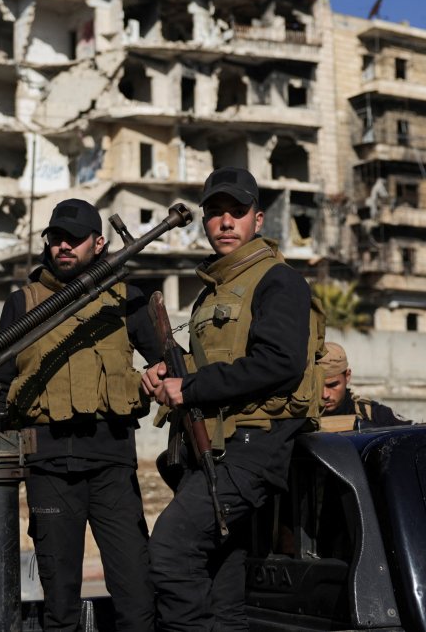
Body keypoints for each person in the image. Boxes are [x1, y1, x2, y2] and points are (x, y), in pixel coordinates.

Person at [142, 167, 323, 631]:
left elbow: (279, 363)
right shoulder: (216, 289)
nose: (225, 222)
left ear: (257, 220)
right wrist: (173, 370)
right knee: (224, 581)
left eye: (237, 213)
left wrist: (192, 387)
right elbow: (225, 363)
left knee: (170, 549)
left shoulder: (278, 281)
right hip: (214, 448)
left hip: (252, 446)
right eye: (215, 214)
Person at [0, 198, 159, 632]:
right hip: (48, 468)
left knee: (137, 594)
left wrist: (162, 376)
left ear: (99, 243)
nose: (63, 247)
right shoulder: (23, 302)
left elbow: (168, 365)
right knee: (59, 605)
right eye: (56, 238)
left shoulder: (127, 298)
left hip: (113, 466)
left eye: (74, 239)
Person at [316, 342, 413, 431]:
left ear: (347, 376)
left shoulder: (373, 414)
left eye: (332, 385)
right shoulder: (302, 418)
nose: (325, 394)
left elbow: (415, 434)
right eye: (318, 386)